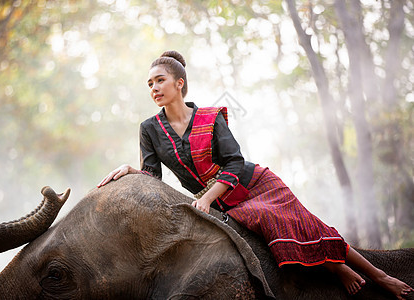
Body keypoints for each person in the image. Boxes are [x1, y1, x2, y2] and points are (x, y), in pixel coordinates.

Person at [98, 50, 413, 299]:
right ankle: (336, 268)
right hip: (225, 202)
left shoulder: (211, 118)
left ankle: (380, 277)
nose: (154, 88)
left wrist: (206, 198)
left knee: (301, 224)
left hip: (254, 184)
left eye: (160, 80)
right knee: (271, 228)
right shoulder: (149, 129)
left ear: (179, 83)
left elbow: (235, 162)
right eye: (150, 84)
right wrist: (131, 170)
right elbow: (152, 176)